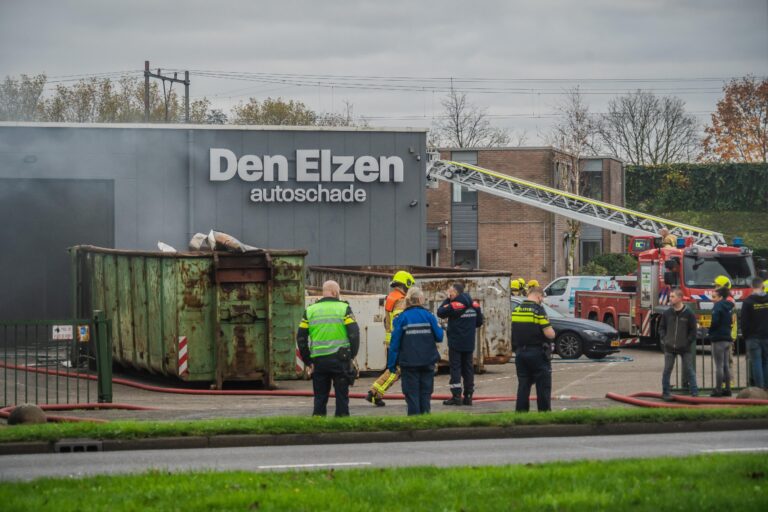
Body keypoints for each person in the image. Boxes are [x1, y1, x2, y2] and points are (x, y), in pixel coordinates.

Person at [296, 280, 359, 417]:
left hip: (319, 362)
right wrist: (352, 356)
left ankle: (317, 427)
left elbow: (301, 337)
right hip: (340, 360)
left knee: (320, 398)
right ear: (336, 292)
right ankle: (342, 426)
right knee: (342, 398)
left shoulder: (310, 310)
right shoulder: (344, 309)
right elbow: (354, 334)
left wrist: (308, 360)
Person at [387, 287, 444, 415]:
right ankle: (425, 424)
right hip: (427, 362)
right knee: (425, 394)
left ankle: (414, 425)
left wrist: (391, 364)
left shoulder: (402, 318)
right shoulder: (429, 316)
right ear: (419, 299)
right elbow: (439, 337)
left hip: (409, 364)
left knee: (412, 395)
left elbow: (394, 343)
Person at [366, 270, 415, 406]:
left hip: (392, 340)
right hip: (399, 341)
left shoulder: (391, 297)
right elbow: (400, 322)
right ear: (406, 284)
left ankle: (376, 394)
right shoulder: (400, 300)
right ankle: (374, 392)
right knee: (396, 370)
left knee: (393, 369)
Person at [437, 282, 484, 406]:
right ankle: (468, 396)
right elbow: (479, 322)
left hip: (456, 343)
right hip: (469, 343)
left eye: (450, 292)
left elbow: (440, 312)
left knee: (455, 369)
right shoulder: (475, 305)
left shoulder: (454, 305)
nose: (449, 294)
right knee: (468, 369)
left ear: (455, 293)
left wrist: (447, 299)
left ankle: (456, 396)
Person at [511, 286, 556, 412]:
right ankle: (544, 413)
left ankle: (521, 414)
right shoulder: (538, 310)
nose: (542, 300)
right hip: (537, 353)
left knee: (523, 385)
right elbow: (549, 333)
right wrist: (553, 333)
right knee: (543, 385)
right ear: (539, 296)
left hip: (520, 353)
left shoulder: (517, 310)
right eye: (542, 298)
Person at [659, 288, 699, 400]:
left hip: (684, 347)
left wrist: (688, 342)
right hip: (669, 347)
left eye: (672, 296)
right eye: (670, 296)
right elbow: (661, 327)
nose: (670, 298)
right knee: (667, 370)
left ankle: (695, 392)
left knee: (689, 369)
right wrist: (664, 338)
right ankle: (665, 392)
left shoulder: (689, 314)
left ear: (680, 298)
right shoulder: (667, 313)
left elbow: (693, 331)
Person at [741, 277, 768, 389]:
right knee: (766, 361)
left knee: (756, 361)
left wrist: (746, 336)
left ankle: (759, 388)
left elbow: (744, 322)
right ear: (763, 286)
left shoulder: (747, 302)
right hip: (766, 336)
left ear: (752, 286)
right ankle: (766, 387)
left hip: (752, 337)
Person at [708, 287, 734, 397]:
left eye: (714, 297)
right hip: (727, 338)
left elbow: (715, 321)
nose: (712, 299)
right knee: (726, 366)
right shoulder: (729, 306)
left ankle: (718, 390)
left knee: (719, 366)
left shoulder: (717, 306)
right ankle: (727, 389)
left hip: (718, 338)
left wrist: (710, 331)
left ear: (720, 297)